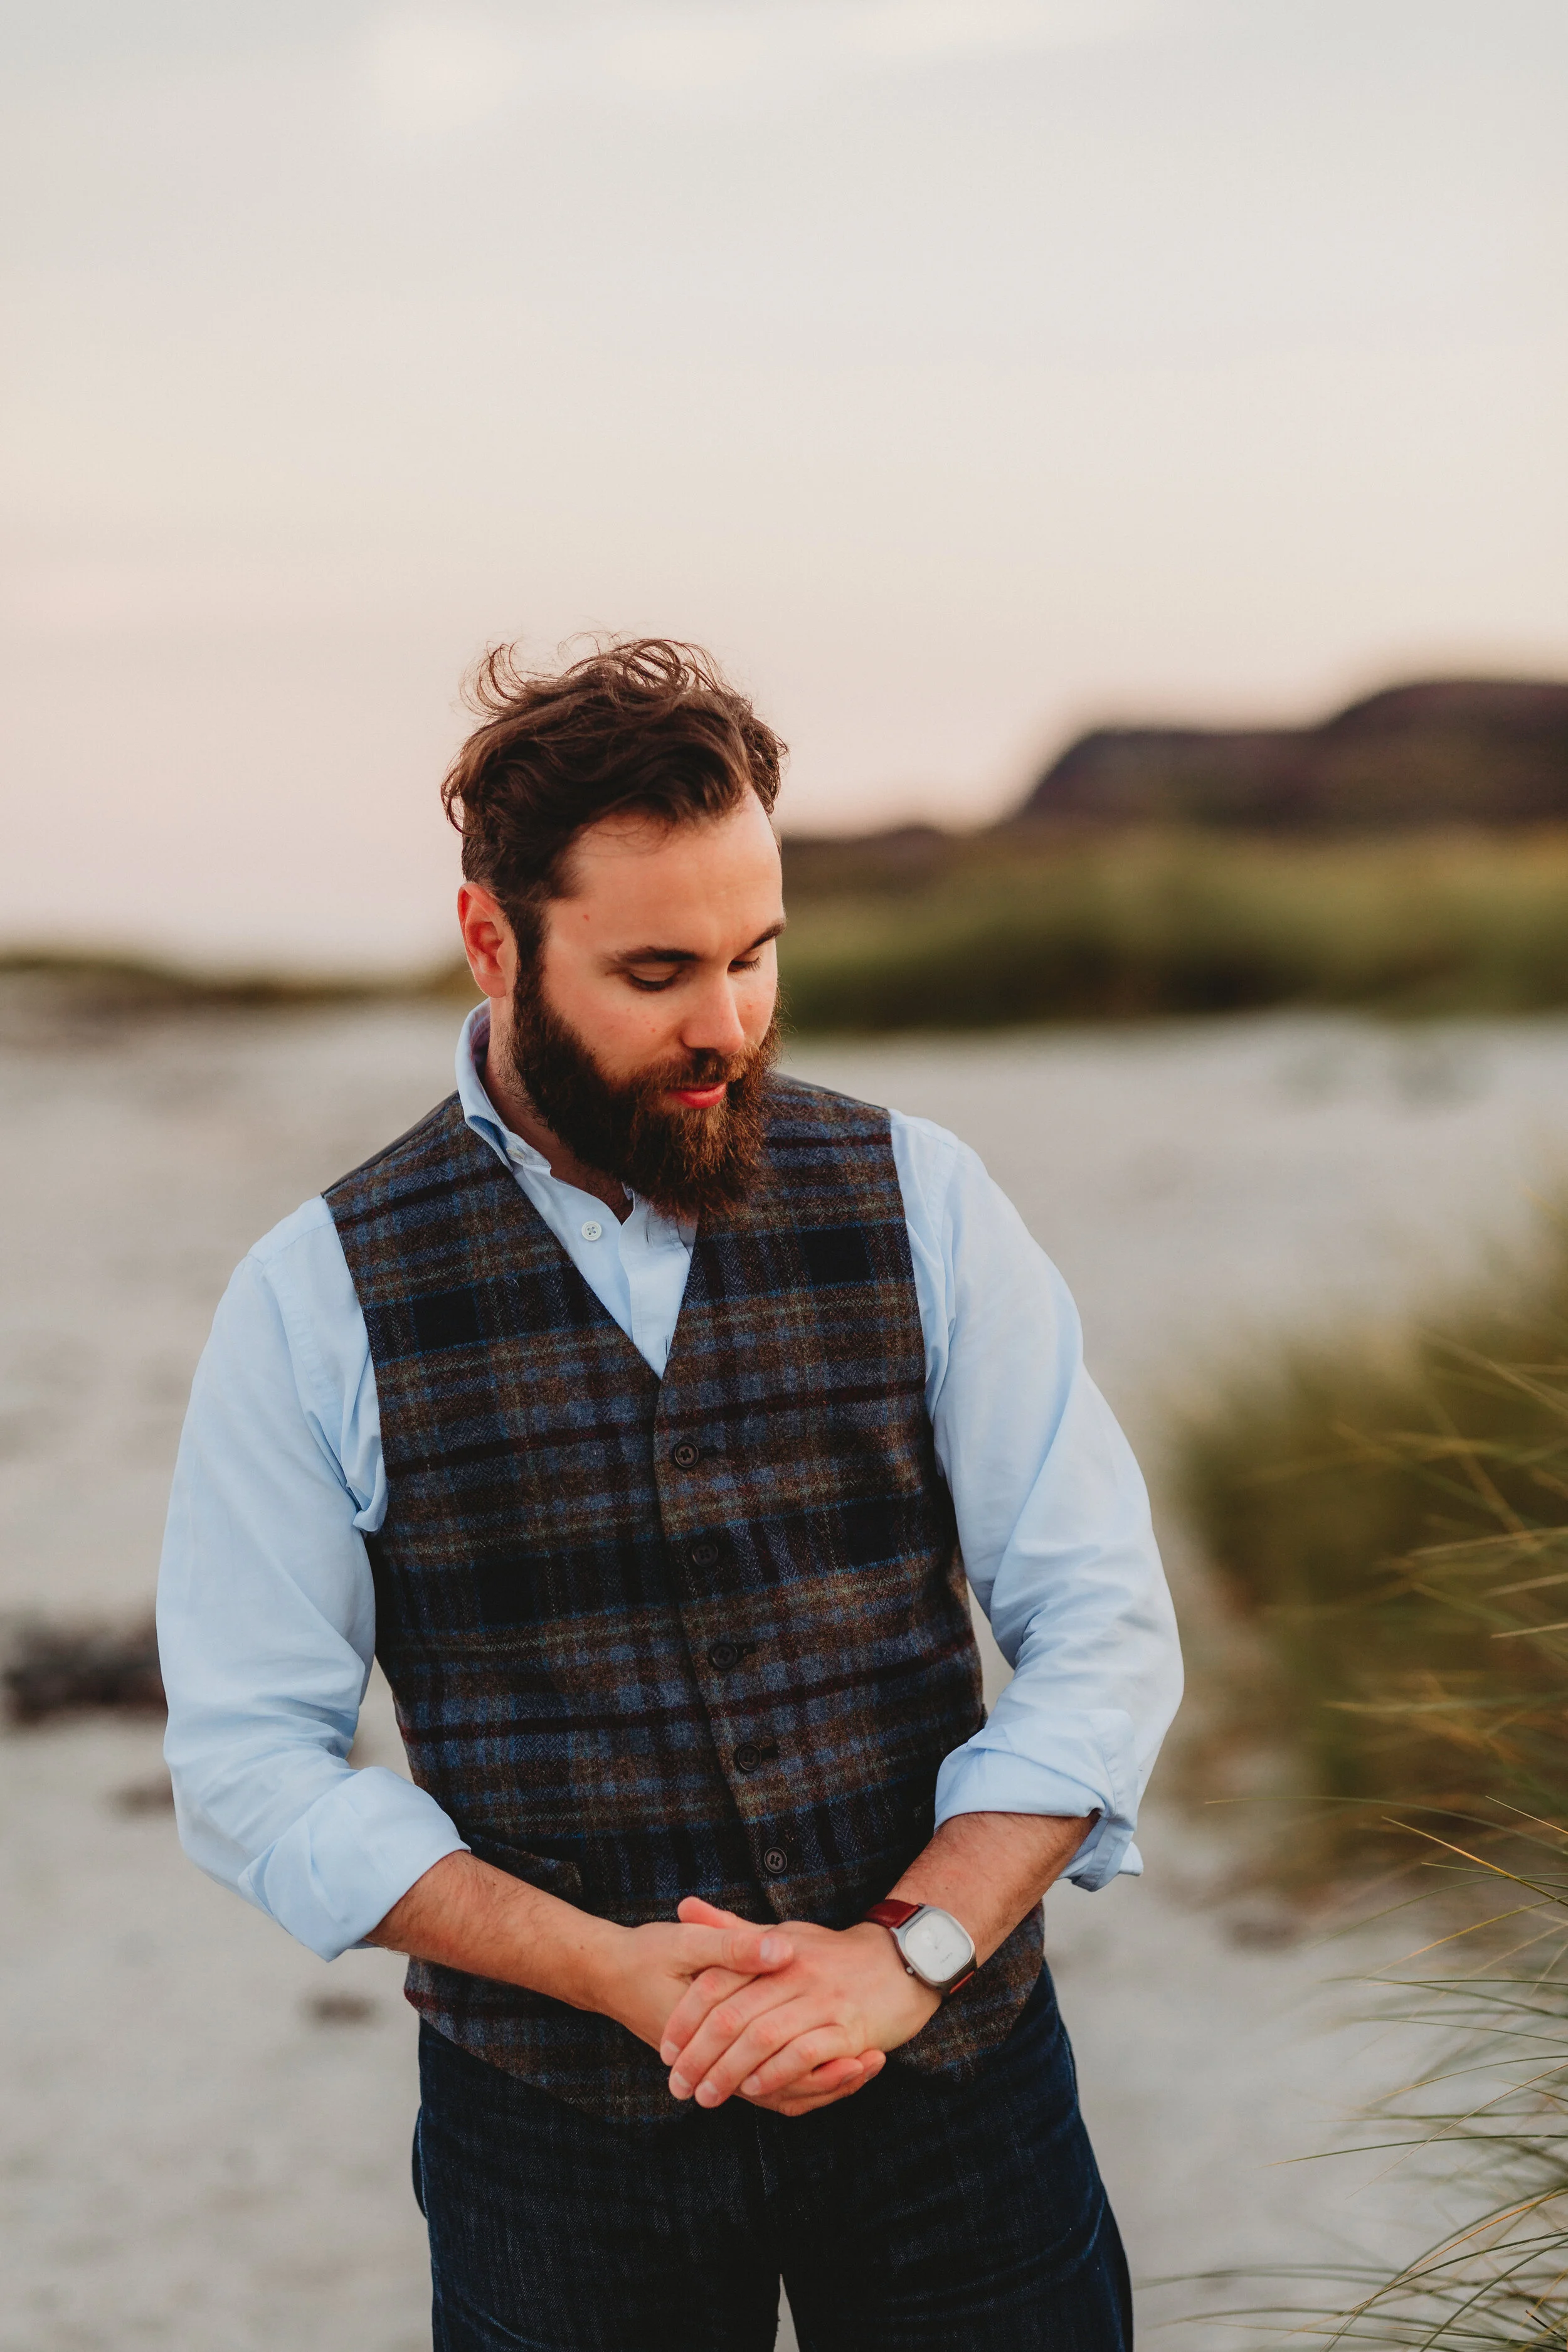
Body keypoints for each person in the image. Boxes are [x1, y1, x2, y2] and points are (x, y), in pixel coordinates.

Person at [157, 638, 1182, 2352]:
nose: (726, 1024)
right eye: (655, 971)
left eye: (754, 955)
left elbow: (1100, 1623)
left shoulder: (920, 1198)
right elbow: (247, 1757)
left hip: (953, 2093)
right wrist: (606, 1969)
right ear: (492, 936)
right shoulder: (314, 1290)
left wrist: (905, 1950)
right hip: (556, 2139)